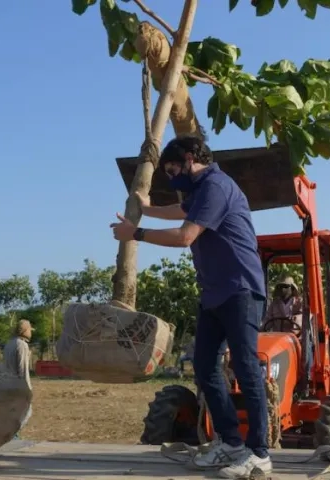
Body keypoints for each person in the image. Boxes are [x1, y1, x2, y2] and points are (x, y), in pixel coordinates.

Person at [110, 134, 271, 478]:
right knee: (205, 368)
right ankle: (231, 443)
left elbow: (185, 236)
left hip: (240, 290)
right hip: (214, 293)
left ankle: (259, 453)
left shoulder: (217, 186)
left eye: (173, 168)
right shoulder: (200, 192)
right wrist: (145, 206)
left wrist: (135, 233)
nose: (172, 176)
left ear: (190, 158)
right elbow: (180, 210)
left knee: (245, 368)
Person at [2, 319, 33, 437]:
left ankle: (11, 434)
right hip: (18, 384)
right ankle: (13, 435)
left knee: (12, 412)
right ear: (25, 330)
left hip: (7, 382)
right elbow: (22, 368)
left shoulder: (9, 343)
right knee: (26, 412)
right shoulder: (22, 345)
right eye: (30, 329)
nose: (31, 332)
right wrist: (25, 388)